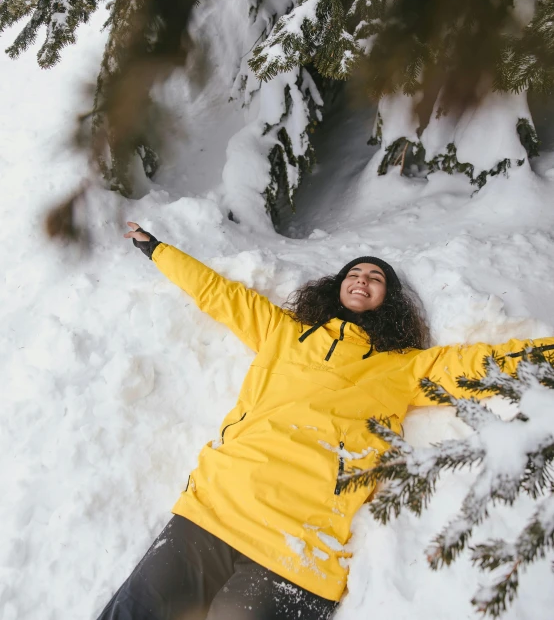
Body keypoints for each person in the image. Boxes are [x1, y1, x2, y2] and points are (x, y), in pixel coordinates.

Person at [97, 221, 554, 620]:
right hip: (214, 511)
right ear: (335, 285)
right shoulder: (283, 333)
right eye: (353, 273)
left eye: (375, 278)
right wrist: (158, 248)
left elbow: (482, 364)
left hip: (299, 551)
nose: (362, 280)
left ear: (388, 299)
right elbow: (219, 294)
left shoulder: (404, 366)